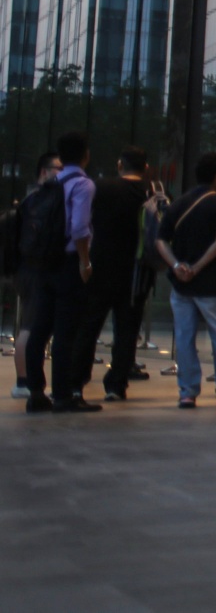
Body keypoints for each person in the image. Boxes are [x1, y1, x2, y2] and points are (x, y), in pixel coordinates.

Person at [155, 153, 216, 409]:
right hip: (212, 282)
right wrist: (197, 267)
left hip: (181, 284)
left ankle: (188, 392)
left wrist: (177, 265)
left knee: (184, 337)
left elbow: (160, 240)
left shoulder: (178, 203)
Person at [22, 132, 100, 413]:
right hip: (68, 263)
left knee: (40, 329)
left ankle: (35, 392)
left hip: (44, 264)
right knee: (67, 332)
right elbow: (80, 227)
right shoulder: (83, 184)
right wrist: (84, 261)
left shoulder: (49, 183)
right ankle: (64, 395)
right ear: (85, 155)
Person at [74, 146, 151, 402]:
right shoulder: (152, 192)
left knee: (89, 325)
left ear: (120, 165)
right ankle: (117, 384)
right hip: (137, 272)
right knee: (127, 330)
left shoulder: (101, 188)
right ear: (146, 168)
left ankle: (76, 381)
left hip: (100, 266)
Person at [9, 152, 60, 401]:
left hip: (24, 269)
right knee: (31, 327)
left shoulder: (29, 202)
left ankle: (24, 381)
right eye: (57, 168)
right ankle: (25, 381)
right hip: (34, 270)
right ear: (44, 171)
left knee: (29, 326)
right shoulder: (41, 201)